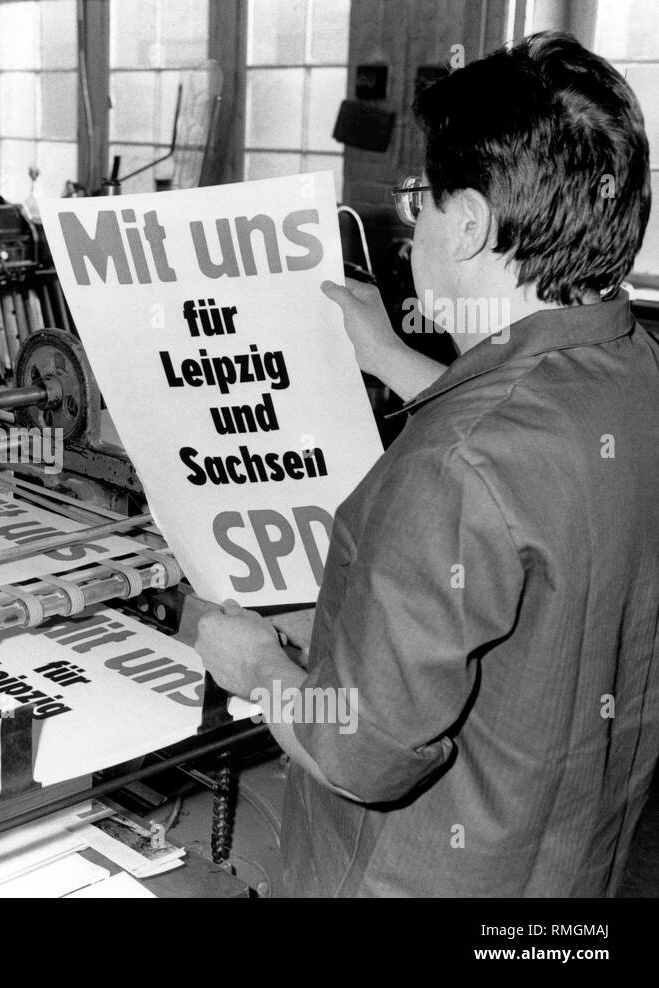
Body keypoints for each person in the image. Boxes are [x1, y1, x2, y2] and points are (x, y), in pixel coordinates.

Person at [194, 31, 659, 896]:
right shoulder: (635, 374)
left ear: (474, 221)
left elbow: (358, 755)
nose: (414, 229)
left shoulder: (450, 470)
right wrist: (390, 356)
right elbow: (534, 446)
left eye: (424, 202)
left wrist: (254, 662)